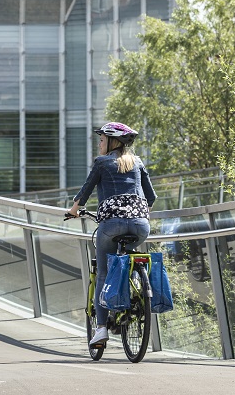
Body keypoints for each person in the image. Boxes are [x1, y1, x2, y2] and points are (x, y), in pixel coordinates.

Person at [67, 122, 157, 348]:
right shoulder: (137, 162)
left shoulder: (102, 162)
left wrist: (73, 211)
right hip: (140, 226)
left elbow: (85, 191)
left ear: (112, 142)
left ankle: (101, 329)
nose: (99, 143)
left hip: (111, 225)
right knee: (128, 256)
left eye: (101, 139)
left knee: (104, 272)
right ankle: (132, 290)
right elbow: (151, 197)